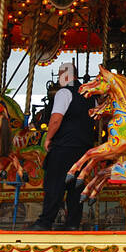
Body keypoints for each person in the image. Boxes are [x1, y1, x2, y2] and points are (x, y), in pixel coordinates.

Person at [34, 62, 95, 231]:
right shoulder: (90, 95)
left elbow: (56, 119)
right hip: (83, 149)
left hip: (64, 146)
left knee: (55, 184)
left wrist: (48, 138)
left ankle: (45, 221)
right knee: (76, 187)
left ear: (66, 75)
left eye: (61, 74)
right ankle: (73, 223)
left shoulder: (64, 92)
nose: (59, 79)